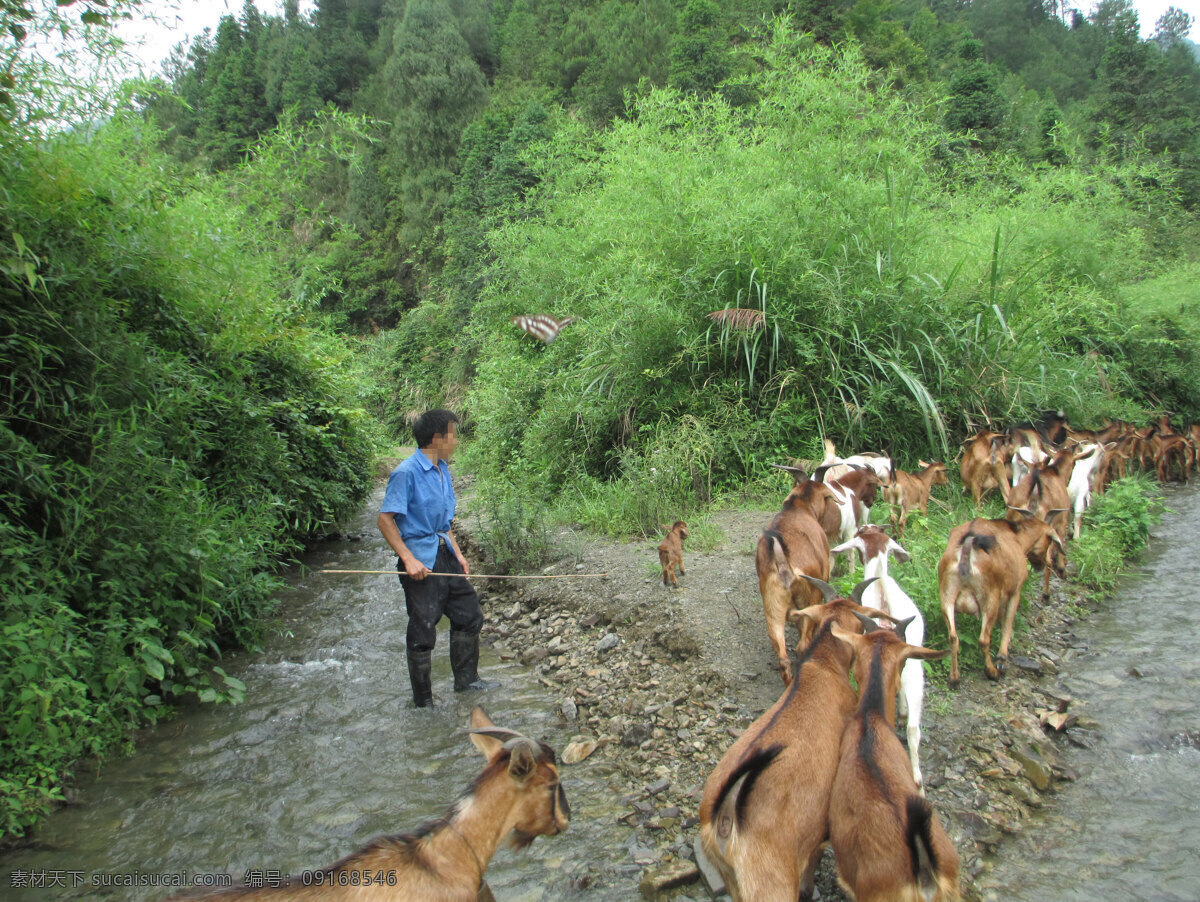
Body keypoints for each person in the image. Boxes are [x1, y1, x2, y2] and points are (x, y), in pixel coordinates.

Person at [377, 409, 498, 707]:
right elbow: (385, 520)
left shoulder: (444, 470)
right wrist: (408, 559)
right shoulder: (406, 472)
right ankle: (423, 702)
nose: (456, 440)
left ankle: (467, 682)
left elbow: (444, 526)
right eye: (453, 434)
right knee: (423, 628)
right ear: (436, 438)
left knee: (469, 614)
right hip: (420, 560)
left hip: (444, 553)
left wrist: (459, 555)